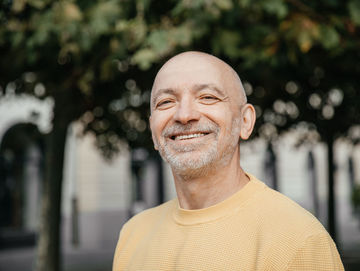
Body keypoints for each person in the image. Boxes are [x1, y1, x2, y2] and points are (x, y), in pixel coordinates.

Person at [113, 51, 344, 271]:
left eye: (207, 97)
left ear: (245, 121)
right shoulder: (133, 235)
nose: (184, 115)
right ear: (153, 130)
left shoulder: (298, 240)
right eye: (165, 102)